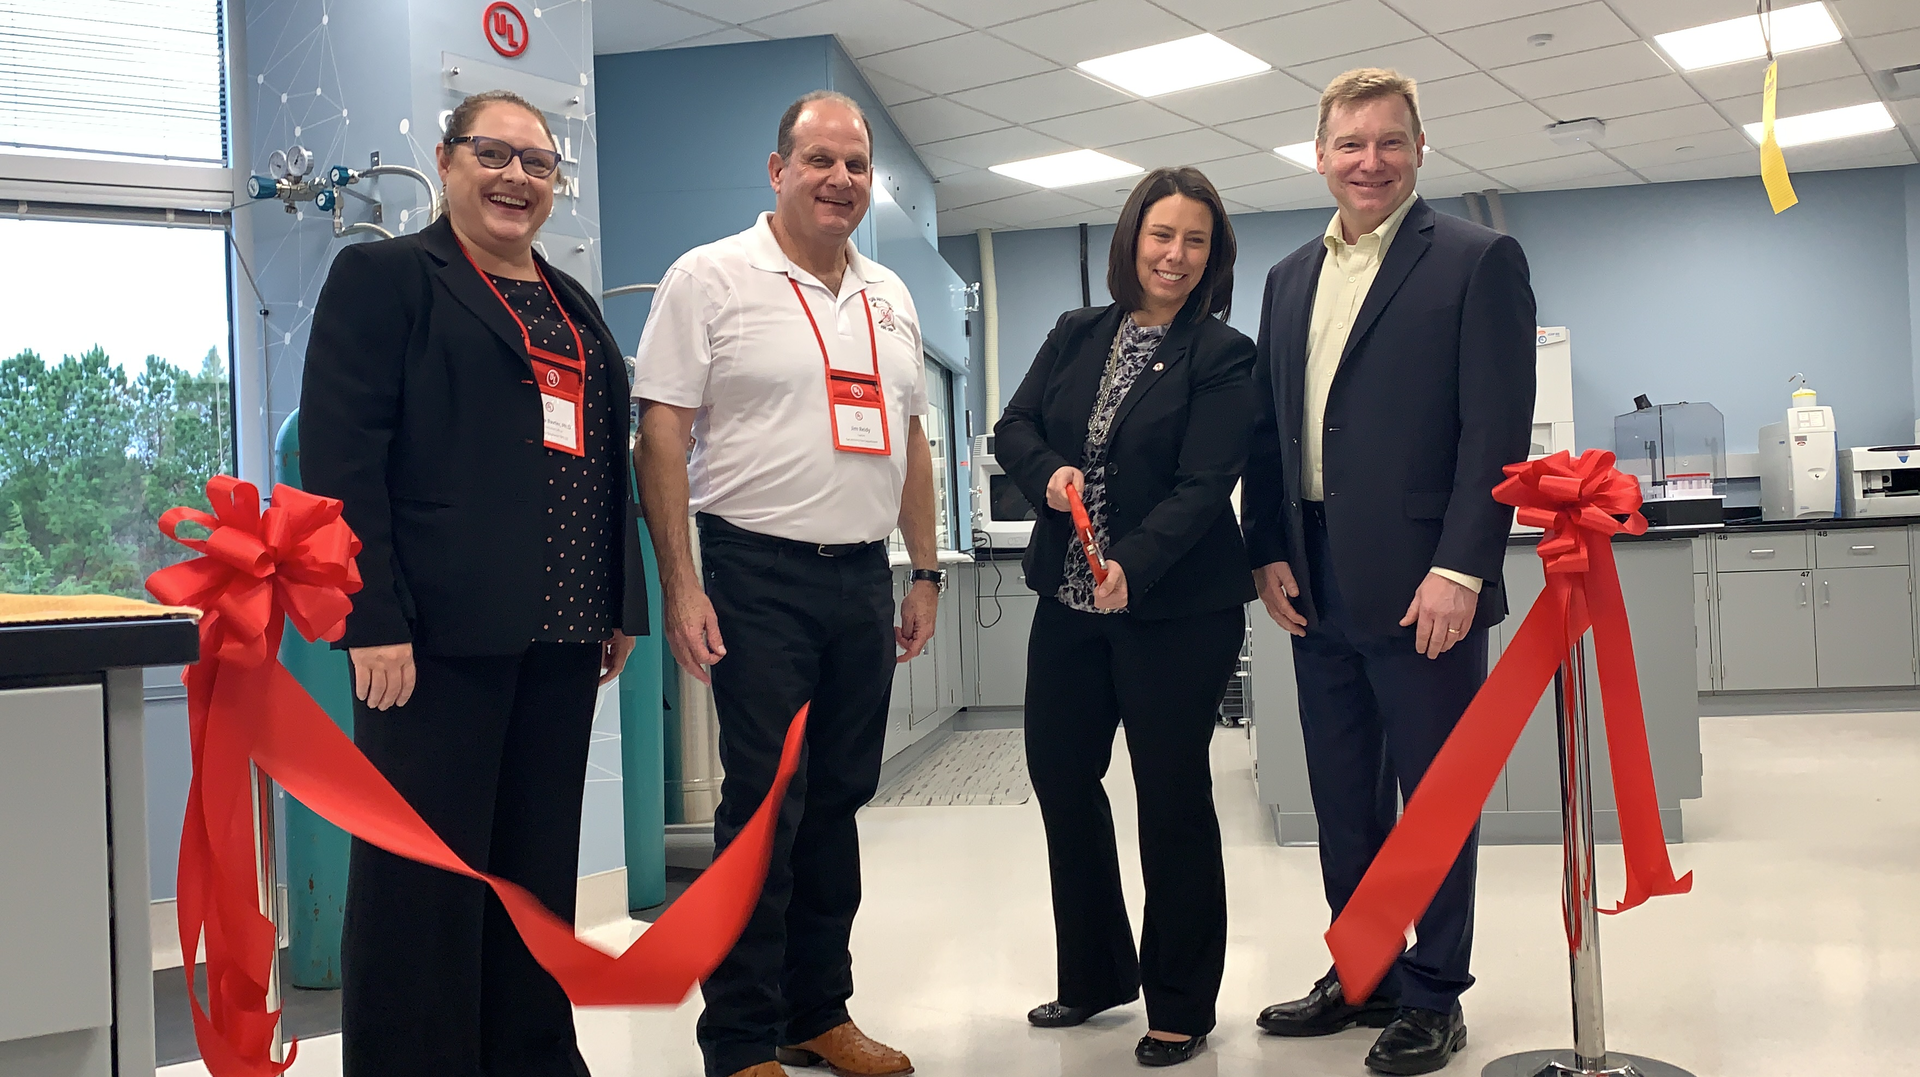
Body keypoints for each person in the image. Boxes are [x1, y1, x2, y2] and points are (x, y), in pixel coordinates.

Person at [299, 89, 649, 1077]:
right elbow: (341, 460)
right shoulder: (387, 278)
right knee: (422, 885)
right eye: (494, 154)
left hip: (560, 640)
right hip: (431, 643)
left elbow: (602, 464)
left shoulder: (574, 306)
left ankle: (532, 1058)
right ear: (447, 161)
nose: (517, 178)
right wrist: (369, 617)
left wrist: (619, 603)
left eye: (538, 164)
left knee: (532, 877)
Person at [631, 90, 939, 1077]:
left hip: (860, 575)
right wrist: (682, 584)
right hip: (755, 569)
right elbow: (662, 435)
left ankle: (818, 1011)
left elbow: (913, 440)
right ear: (778, 170)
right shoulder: (711, 277)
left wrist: (922, 567)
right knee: (765, 805)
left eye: (856, 165)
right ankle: (738, 1038)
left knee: (840, 801)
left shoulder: (891, 295)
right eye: (820, 160)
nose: (840, 179)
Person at [1239, 68, 1536, 1076]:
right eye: (1350, 143)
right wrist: (1268, 548)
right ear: (1318, 154)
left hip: (1424, 584)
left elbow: (1494, 427)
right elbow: (1275, 435)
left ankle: (1436, 993)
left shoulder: (1476, 259)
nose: (1369, 160)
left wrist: (1462, 565)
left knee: (1437, 793)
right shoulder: (1286, 279)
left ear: (1419, 150)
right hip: (1312, 577)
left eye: (1389, 142)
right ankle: (1361, 968)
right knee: (1344, 796)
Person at [994, 167, 1256, 1069]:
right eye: (1160, 235)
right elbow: (1013, 426)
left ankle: (1180, 999)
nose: (1175, 255)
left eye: (1194, 240)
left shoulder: (1224, 354)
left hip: (1175, 606)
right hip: (1068, 599)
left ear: (1212, 254)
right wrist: (1049, 473)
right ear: (1130, 241)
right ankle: (1097, 971)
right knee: (1062, 777)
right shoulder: (1077, 333)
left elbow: (1202, 485)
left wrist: (1133, 566)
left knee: (1171, 794)